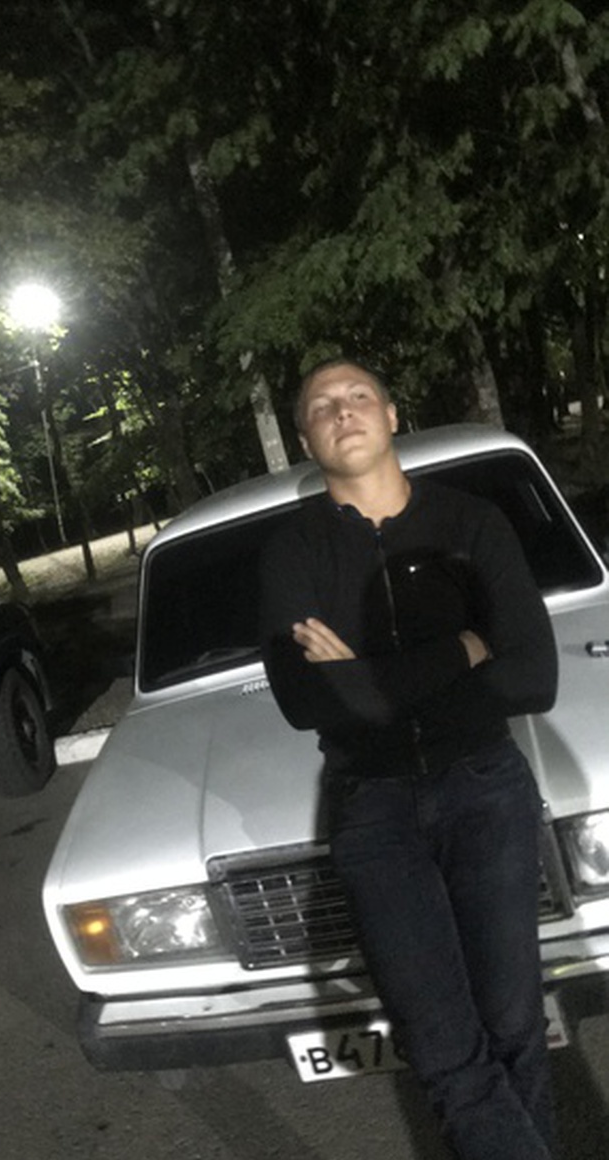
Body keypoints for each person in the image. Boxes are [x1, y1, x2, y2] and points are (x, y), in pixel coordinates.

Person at [258, 358, 559, 1160]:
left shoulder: (471, 524)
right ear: (306, 438)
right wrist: (463, 647)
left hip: (486, 786)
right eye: (322, 405)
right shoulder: (292, 552)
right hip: (373, 811)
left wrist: (365, 680)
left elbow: (534, 677)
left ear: (392, 416)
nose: (342, 410)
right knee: (444, 1050)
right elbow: (306, 703)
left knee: (514, 1029)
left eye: (358, 395)